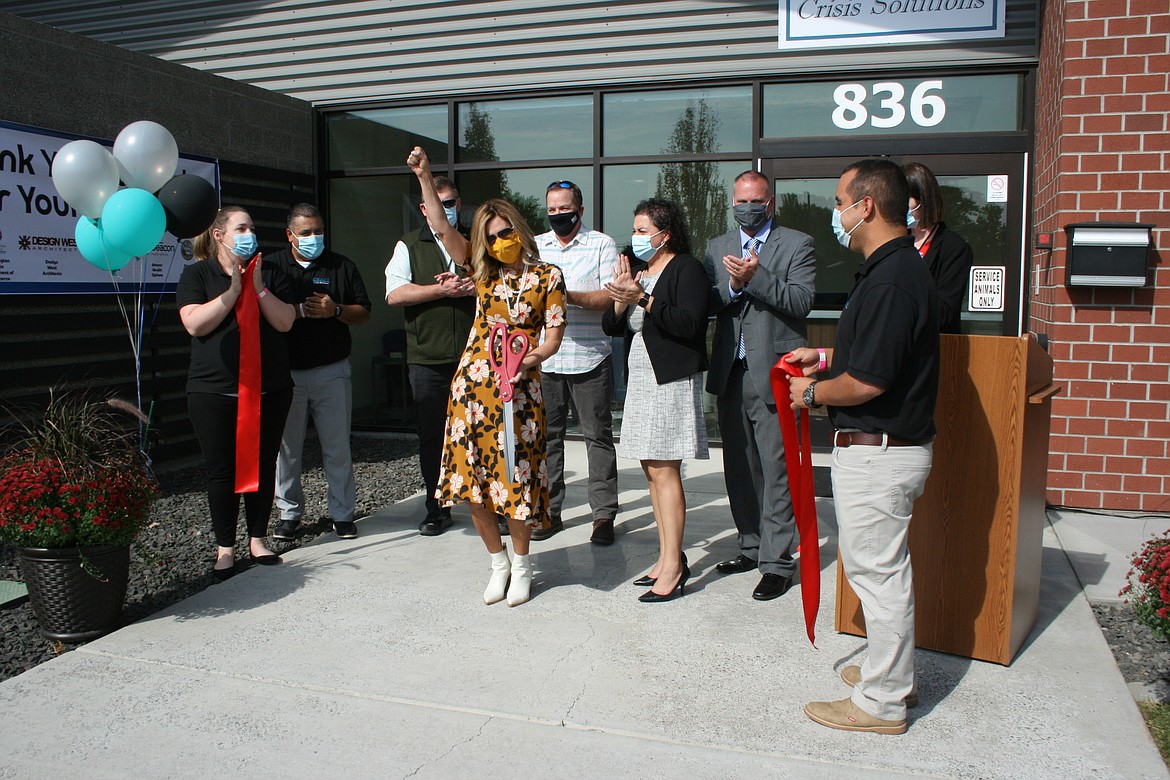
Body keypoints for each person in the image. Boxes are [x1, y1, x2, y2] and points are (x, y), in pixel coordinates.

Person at [787, 159, 940, 735]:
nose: (836, 213)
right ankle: (891, 675)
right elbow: (878, 357)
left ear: (866, 206)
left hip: (879, 449)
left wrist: (812, 392)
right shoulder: (891, 271)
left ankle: (881, 704)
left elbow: (869, 382)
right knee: (883, 573)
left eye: (839, 200)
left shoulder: (895, 278)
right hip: (882, 446)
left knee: (878, 577)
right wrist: (824, 359)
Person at [411, 147, 566, 608]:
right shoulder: (482, 273)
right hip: (472, 393)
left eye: (506, 232)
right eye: (492, 236)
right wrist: (424, 176)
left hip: (518, 392)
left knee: (515, 480)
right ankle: (496, 563)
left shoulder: (547, 277)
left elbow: (553, 337)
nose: (501, 241)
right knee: (473, 483)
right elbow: (442, 226)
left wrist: (525, 362)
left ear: (520, 229)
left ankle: (522, 564)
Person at [704, 170, 816, 602]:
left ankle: (777, 562)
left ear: (771, 202)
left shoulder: (798, 244)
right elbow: (710, 301)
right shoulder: (718, 246)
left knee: (776, 470)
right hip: (731, 371)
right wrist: (732, 285)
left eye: (755, 201)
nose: (746, 208)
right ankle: (751, 546)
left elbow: (801, 301)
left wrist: (757, 278)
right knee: (740, 467)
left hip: (775, 372)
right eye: (739, 201)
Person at [176, 206, 298, 580]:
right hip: (215, 391)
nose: (249, 233)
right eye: (241, 228)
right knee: (222, 470)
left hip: (269, 388)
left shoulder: (271, 271)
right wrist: (232, 291)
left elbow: (285, 321)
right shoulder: (198, 273)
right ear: (218, 235)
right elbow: (195, 324)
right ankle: (225, 548)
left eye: (252, 227)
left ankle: (258, 539)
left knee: (262, 464)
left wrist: (256, 286)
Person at [602, 198, 709, 603]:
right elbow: (612, 325)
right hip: (643, 379)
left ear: (666, 233)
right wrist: (622, 294)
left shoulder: (687, 268)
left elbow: (689, 323)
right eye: (635, 229)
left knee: (666, 471)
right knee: (651, 470)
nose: (637, 237)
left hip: (671, 380)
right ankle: (667, 558)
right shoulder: (642, 271)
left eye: (644, 230)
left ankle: (674, 567)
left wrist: (644, 298)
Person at [270, 204, 371, 541]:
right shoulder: (272, 268)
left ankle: (342, 514)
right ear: (290, 235)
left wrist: (336, 309)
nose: (315, 238)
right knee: (287, 449)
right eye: (306, 233)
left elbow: (364, 312)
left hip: (332, 371)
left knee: (337, 445)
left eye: (319, 231)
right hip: (287, 374)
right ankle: (289, 513)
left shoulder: (341, 265)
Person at [385, 171, 476, 537]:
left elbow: (499, 286)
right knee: (433, 438)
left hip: (475, 358)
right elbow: (394, 295)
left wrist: (473, 287)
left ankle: (488, 505)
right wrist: (440, 292)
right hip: (427, 359)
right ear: (425, 209)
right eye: (439, 205)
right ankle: (436, 507)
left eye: (451, 203)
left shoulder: (473, 243)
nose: (447, 210)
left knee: (479, 435)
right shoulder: (408, 245)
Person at [533, 179, 620, 545]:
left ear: (580, 210)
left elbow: (611, 296)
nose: (558, 215)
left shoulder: (601, 244)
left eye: (564, 208)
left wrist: (564, 295)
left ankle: (603, 516)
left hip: (589, 357)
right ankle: (550, 512)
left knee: (596, 437)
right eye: (552, 209)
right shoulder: (536, 246)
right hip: (545, 359)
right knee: (546, 439)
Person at [903, 162, 974, 334]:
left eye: (904, 198)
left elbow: (945, 311)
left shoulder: (954, 248)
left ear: (923, 199)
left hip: (933, 347)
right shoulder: (896, 240)